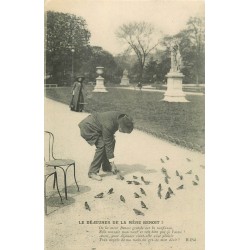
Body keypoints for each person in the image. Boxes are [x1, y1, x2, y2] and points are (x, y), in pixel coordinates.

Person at [78, 111, 134, 181]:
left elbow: (110, 139)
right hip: (88, 127)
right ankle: (92, 172)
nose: (123, 132)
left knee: (112, 141)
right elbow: (108, 144)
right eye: (124, 131)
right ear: (120, 126)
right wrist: (113, 164)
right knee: (102, 145)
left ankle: (106, 166)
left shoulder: (122, 118)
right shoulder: (109, 125)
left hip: (97, 126)